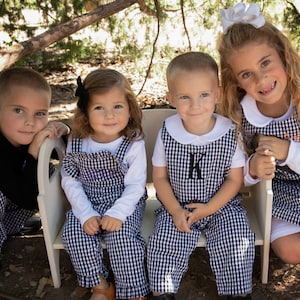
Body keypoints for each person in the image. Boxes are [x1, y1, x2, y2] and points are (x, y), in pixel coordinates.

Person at [147, 52, 255, 300]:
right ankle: (163, 291)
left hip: (222, 205)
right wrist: (174, 210)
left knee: (236, 237)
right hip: (179, 205)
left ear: (217, 94)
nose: (195, 105)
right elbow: (160, 178)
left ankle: (237, 292)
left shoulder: (229, 131)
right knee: (164, 242)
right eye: (184, 97)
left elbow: (234, 179)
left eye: (204, 95)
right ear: (171, 99)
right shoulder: (168, 131)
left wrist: (209, 208)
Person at [218, 2, 300, 264]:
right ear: (236, 80)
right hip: (278, 196)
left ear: (282, 55)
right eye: (247, 74)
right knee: (289, 250)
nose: (261, 79)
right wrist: (252, 168)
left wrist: (288, 151)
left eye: (266, 63)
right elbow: (235, 175)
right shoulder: (238, 116)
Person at [61, 69, 149, 300]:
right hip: (87, 200)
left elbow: (136, 186)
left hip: (124, 203)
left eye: (117, 106)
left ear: (130, 109)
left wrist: (118, 213)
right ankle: (101, 286)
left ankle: (132, 290)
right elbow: (70, 179)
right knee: (74, 234)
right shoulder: (78, 140)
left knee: (122, 238)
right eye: (99, 108)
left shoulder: (132, 142)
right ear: (85, 112)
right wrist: (85, 214)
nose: (109, 115)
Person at [0, 66, 70, 253]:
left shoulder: (26, 133)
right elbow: (29, 198)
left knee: (45, 172)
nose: (30, 122)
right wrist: (32, 154)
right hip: (16, 193)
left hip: (17, 194)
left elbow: (73, 149)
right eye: (18, 110)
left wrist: (63, 129)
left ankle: (6, 227)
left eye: (39, 113)